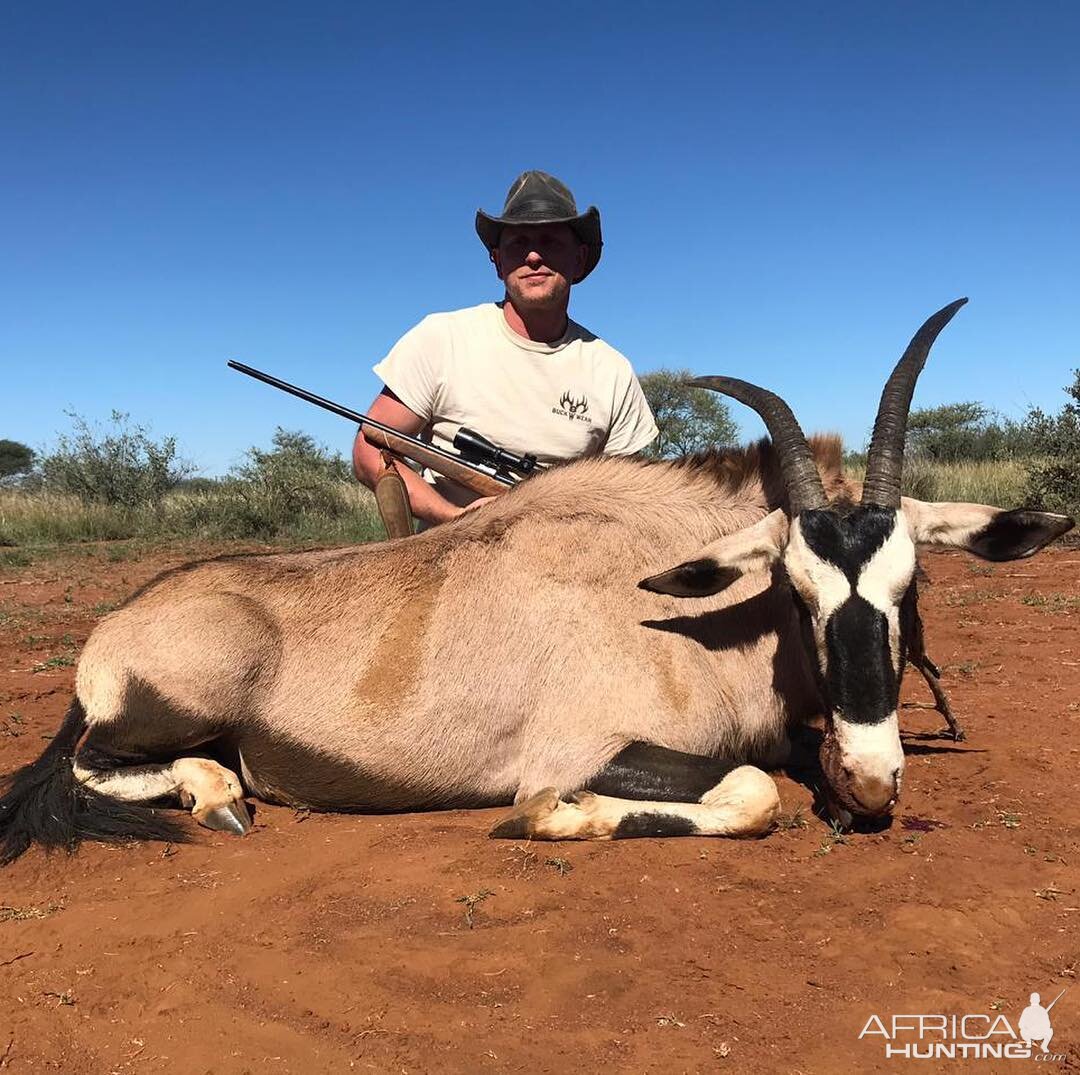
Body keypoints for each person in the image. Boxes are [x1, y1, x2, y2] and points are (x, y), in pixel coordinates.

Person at [352, 170, 658, 525]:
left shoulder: (612, 371)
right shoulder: (441, 338)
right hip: (448, 561)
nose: (532, 256)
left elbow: (631, 499)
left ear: (579, 258)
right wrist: (457, 519)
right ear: (498, 262)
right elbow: (369, 450)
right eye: (518, 243)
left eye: (550, 242)